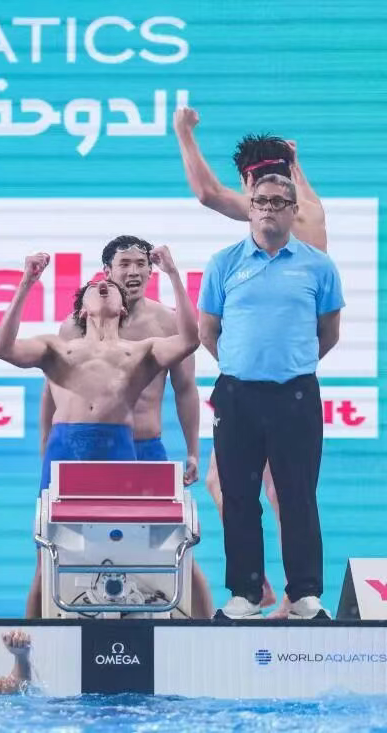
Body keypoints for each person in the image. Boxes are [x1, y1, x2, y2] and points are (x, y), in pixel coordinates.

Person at [174, 107, 330, 615]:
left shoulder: (264, 207)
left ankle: (282, 591)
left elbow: (205, 193)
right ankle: (276, 590)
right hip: (278, 377)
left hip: (274, 383)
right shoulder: (309, 206)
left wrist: (183, 133)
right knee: (271, 490)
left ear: (251, 180)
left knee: (273, 492)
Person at [31, 235, 212, 619]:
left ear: (150, 270)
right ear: (107, 272)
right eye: (124, 264)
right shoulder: (76, 324)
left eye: (140, 264)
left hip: (145, 448)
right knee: (52, 549)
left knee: (178, 547)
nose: (133, 271)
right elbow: (53, 390)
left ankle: (210, 631)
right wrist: (47, 444)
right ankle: (34, 637)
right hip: (90, 451)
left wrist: (193, 450)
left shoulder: (166, 322)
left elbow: (185, 389)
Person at [199, 174, 343, 620]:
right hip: (237, 395)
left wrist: (288, 367)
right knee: (238, 495)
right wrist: (245, 368)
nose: (267, 208)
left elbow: (328, 333)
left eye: (278, 202)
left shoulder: (319, 266)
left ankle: (303, 594)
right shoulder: (223, 263)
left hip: (295, 395)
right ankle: (245, 593)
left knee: (297, 495)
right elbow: (208, 331)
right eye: (260, 201)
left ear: (292, 210)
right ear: (250, 207)